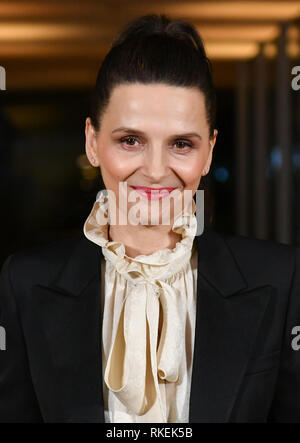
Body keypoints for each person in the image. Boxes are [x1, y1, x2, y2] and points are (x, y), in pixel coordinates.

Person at [0, 14, 300, 423]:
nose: (156, 170)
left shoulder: (282, 279)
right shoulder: (24, 284)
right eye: (130, 140)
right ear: (92, 142)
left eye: (181, 143)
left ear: (209, 151)